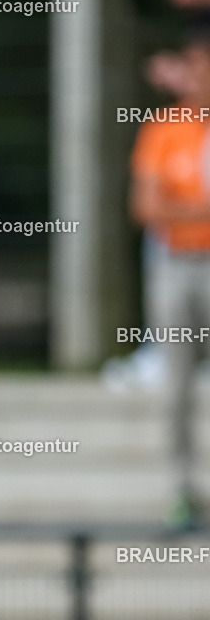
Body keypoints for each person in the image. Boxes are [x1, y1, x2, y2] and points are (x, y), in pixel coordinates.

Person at [131, 33, 210, 528]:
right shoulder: (164, 129)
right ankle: (183, 490)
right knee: (177, 386)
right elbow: (145, 207)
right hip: (177, 264)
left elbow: (164, 204)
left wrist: (180, 209)